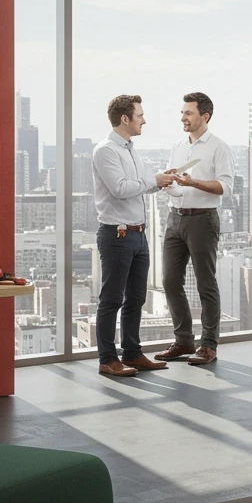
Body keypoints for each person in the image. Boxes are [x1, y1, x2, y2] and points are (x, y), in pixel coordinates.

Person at [92, 95, 176, 377]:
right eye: (140, 115)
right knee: (112, 299)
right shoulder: (106, 151)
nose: (144, 120)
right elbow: (120, 188)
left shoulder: (130, 150)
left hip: (138, 235)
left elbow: (138, 185)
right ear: (125, 118)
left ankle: (132, 353)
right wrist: (153, 180)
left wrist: (160, 180)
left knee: (136, 299)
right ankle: (107, 359)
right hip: (117, 234)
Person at [156, 92, 235, 366]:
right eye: (182, 113)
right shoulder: (178, 146)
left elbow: (225, 187)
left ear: (205, 116)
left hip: (203, 220)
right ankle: (183, 341)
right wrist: (170, 185)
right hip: (175, 219)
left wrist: (192, 183)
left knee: (205, 283)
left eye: (188, 113)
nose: (183, 118)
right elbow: (179, 186)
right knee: (170, 281)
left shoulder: (218, 148)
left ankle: (209, 345)